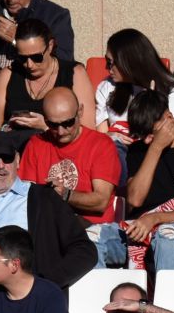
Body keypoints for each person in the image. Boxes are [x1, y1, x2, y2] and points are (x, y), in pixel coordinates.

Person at [0, 129, 99, 287]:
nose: (1, 165)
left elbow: (84, 250)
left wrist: (42, 286)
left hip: (28, 303)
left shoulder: (44, 200)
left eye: (7, 158)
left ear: (17, 159)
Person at [106, 94, 174, 273]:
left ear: (169, 118)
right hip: (138, 229)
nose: (147, 140)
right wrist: (155, 148)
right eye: (142, 136)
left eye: (152, 133)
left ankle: (163, 301)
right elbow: (135, 199)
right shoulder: (139, 150)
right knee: (92, 239)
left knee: (166, 235)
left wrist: (155, 219)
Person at [19, 87, 123, 236]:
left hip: (92, 229)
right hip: (48, 226)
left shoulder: (101, 144)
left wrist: (66, 194)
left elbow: (101, 201)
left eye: (67, 123)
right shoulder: (36, 144)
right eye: (53, 125)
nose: (61, 132)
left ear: (80, 112)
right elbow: (25, 196)